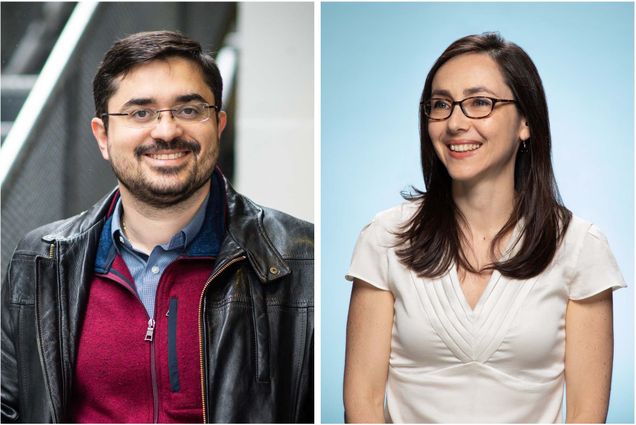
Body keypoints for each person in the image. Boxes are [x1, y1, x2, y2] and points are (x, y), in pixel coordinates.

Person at [1, 31, 313, 423]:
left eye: (188, 110)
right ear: (103, 135)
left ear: (218, 124)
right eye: (140, 112)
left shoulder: (300, 260)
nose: (166, 131)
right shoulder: (40, 260)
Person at [343, 33, 624, 423]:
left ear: (526, 121)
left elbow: (585, 416)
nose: (455, 123)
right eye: (441, 105)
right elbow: (363, 404)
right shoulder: (386, 238)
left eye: (479, 103)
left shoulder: (580, 247)